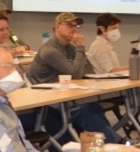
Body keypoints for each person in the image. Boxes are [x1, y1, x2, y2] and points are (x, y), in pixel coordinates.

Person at [28, 13, 117, 143]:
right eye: (69, 25)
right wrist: (80, 47)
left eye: (76, 26)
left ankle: (104, 142)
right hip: (46, 97)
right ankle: (115, 141)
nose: (74, 29)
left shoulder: (69, 47)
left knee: (93, 106)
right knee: (83, 110)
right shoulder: (50, 50)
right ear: (57, 27)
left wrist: (78, 52)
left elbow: (87, 69)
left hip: (64, 93)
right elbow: (75, 74)